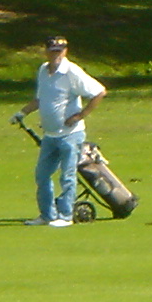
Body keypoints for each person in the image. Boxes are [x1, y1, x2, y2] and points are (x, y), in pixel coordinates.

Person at [16, 36, 106, 226]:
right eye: (53, 50)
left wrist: (80, 115)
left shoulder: (71, 71)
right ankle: (47, 215)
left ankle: (65, 216)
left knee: (68, 175)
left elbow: (99, 92)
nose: (56, 54)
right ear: (46, 51)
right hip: (50, 135)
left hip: (70, 134)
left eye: (60, 50)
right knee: (42, 175)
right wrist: (22, 113)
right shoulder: (43, 70)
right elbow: (40, 99)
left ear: (65, 51)